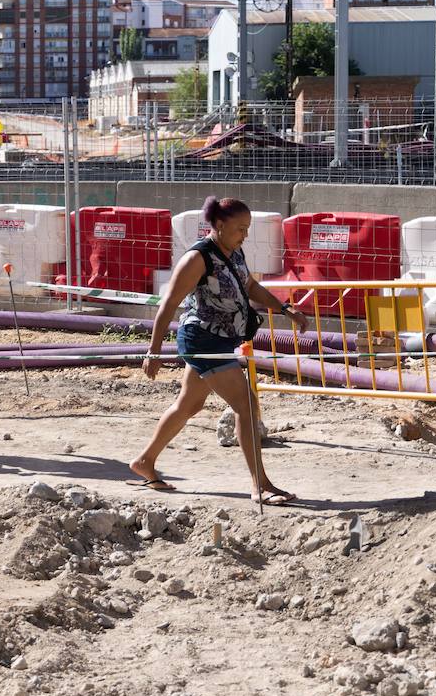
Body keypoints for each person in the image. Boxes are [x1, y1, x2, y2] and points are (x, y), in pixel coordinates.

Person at [131, 196, 308, 505]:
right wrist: (153, 351)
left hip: (222, 340)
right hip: (202, 340)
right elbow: (168, 305)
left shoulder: (234, 251)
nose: (245, 235)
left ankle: (145, 462)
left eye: (248, 229)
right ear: (220, 225)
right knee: (246, 404)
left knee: (189, 405)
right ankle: (261, 484)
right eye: (240, 228)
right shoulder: (197, 258)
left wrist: (284, 308)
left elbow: (249, 286)